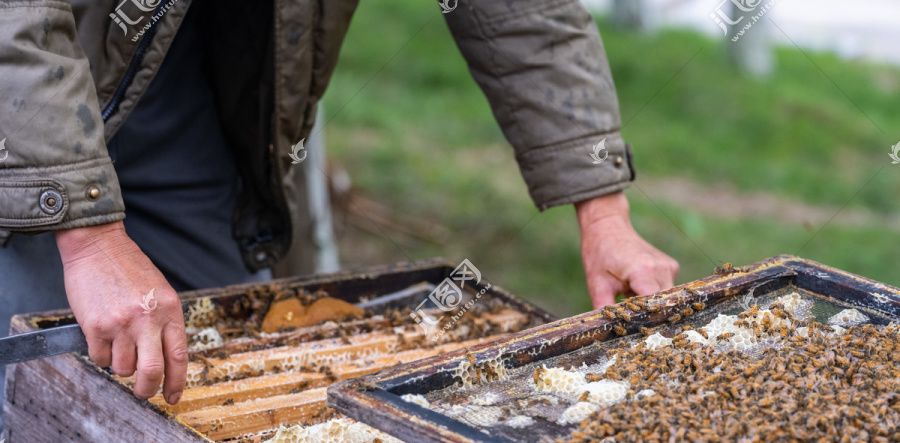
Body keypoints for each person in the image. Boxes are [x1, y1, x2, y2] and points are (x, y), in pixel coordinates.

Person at [0, 0, 678, 407]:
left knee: (197, 394)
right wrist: (88, 234)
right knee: (27, 396)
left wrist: (603, 211)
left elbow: (518, 14)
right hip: (24, 97)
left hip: (197, 119)